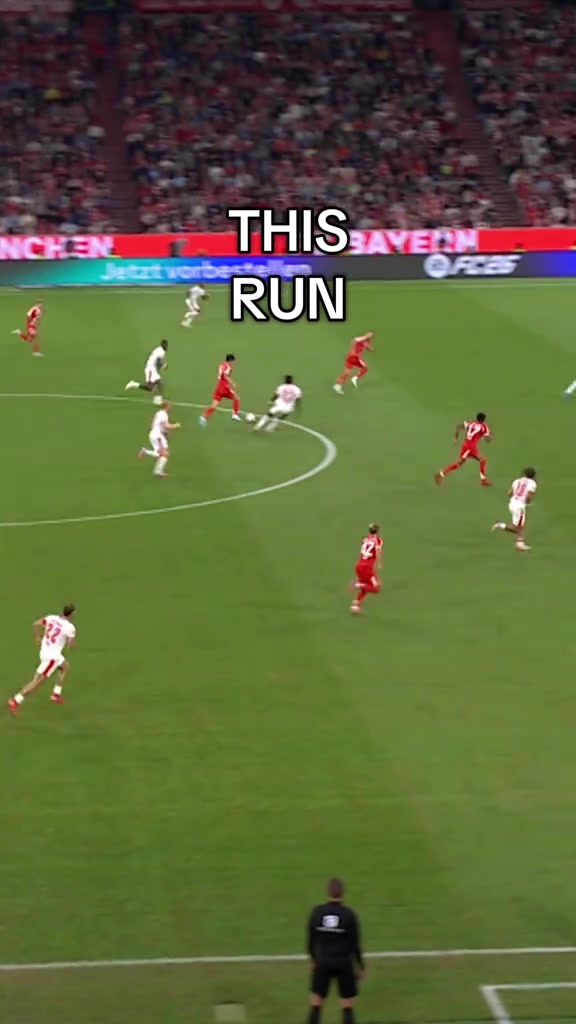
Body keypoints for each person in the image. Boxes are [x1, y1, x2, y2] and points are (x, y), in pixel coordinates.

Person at [307, 877, 364, 1024]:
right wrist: (360, 966)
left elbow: (311, 940)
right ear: (343, 892)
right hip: (344, 962)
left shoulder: (317, 912)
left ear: (327, 892)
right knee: (347, 1005)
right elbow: (355, 944)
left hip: (323, 961)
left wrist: (313, 959)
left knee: (316, 1003)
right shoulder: (349, 915)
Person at [8, 604, 76, 715]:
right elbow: (71, 645)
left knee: (65, 667)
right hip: (52, 657)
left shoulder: (51, 618)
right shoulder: (69, 627)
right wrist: (72, 640)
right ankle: (16, 700)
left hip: (45, 651)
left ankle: (56, 694)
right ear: (72, 614)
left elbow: (36, 624)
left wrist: (37, 637)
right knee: (37, 682)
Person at [435, 412, 492, 487]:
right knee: (481, 460)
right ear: (483, 420)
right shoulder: (483, 427)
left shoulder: (470, 423)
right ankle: (483, 480)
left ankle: (440, 474)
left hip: (466, 446)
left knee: (463, 463)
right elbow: (488, 440)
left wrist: (456, 439)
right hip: (470, 448)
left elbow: (458, 427)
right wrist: (490, 436)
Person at [492, 467, 537, 552]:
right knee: (519, 527)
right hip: (520, 506)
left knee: (518, 527)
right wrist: (528, 503)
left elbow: (509, 493)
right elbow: (529, 496)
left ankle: (501, 525)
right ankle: (519, 545)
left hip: (512, 504)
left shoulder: (517, 481)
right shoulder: (532, 483)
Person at [138, 401, 180, 478]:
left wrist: (163, 432)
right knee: (165, 454)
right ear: (166, 407)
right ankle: (158, 472)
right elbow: (167, 426)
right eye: (169, 406)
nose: (170, 407)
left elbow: (153, 424)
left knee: (160, 453)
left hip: (154, 434)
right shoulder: (164, 414)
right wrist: (176, 425)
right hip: (157, 436)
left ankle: (145, 452)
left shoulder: (158, 413)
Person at [199, 354, 242, 426]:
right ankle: (235, 414)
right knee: (237, 398)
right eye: (233, 361)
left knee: (214, 405)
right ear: (230, 360)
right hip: (224, 387)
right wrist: (232, 383)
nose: (234, 363)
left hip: (218, 387)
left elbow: (221, 374)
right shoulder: (228, 367)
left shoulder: (222, 364)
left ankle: (204, 417)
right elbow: (225, 375)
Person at [351, 523, 383, 615]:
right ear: (377, 531)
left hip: (359, 565)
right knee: (376, 588)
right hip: (367, 568)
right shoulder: (378, 540)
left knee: (366, 586)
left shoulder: (364, 539)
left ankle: (355, 606)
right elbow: (378, 551)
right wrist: (379, 563)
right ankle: (357, 585)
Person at [125, 340, 168, 405]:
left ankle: (157, 399)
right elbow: (158, 360)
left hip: (153, 369)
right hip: (150, 369)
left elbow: (157, 360)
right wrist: (163, 365)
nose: (166, 347)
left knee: (155, 386)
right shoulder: (161, 351)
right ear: (163, 345)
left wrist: (161, 366)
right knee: (152, 386)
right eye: (165, 345)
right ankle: (157, 399)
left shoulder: (159, 350)